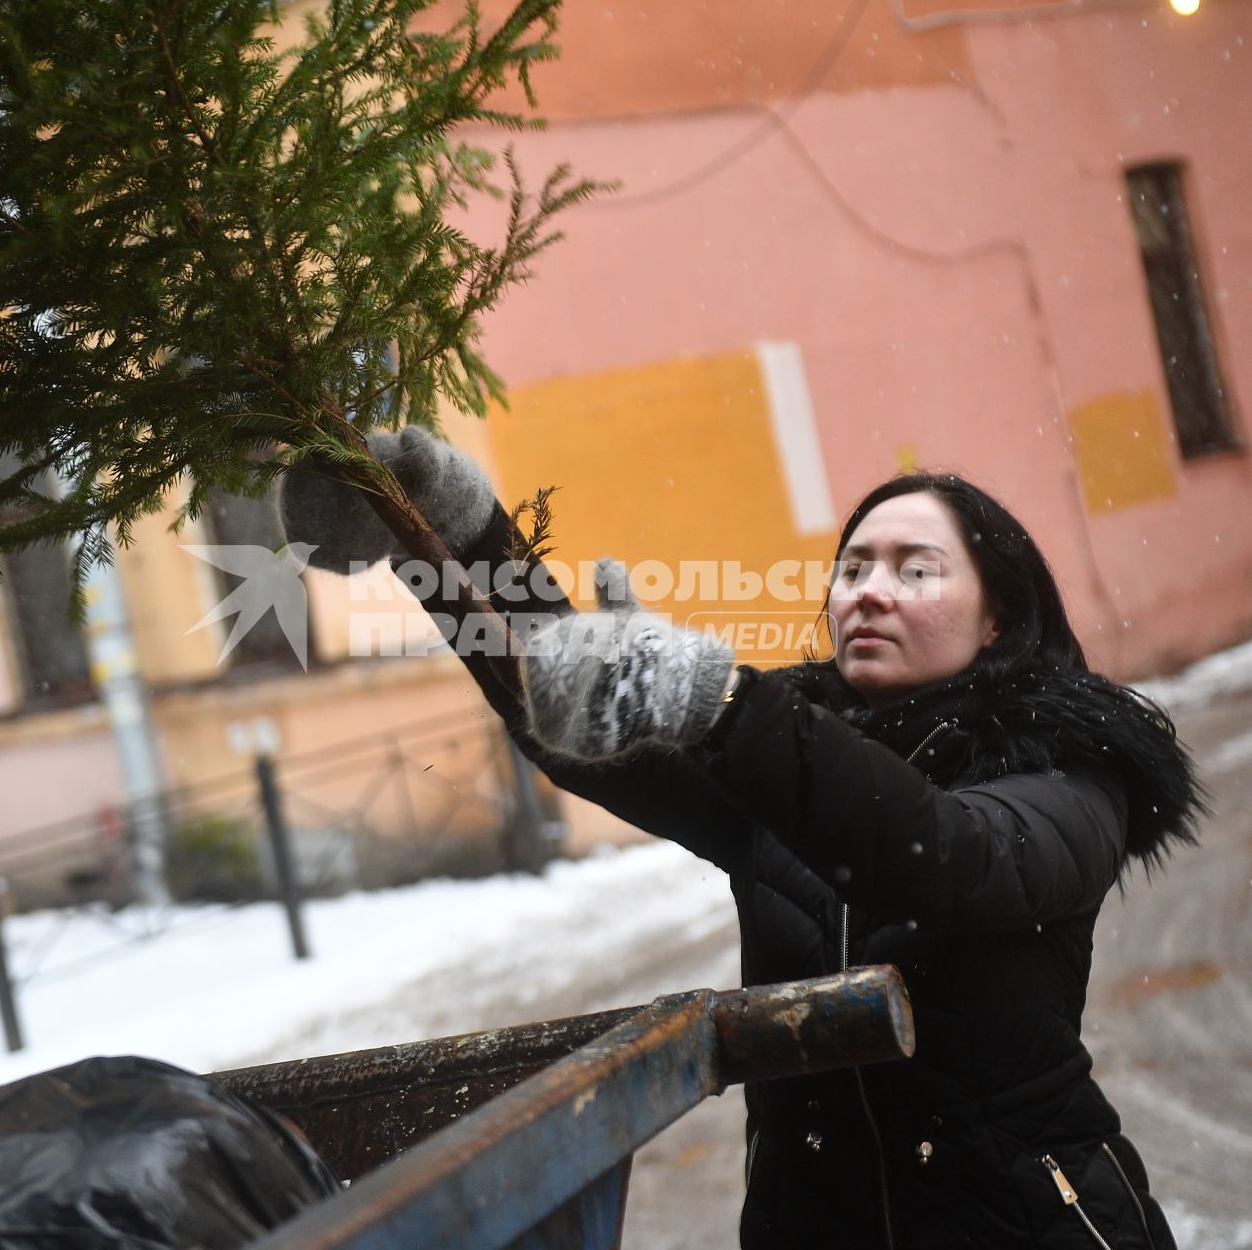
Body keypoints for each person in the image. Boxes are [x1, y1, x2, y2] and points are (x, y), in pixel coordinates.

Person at [281, 428, 1202, 1249]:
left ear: (998, 614)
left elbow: (952, 859)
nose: (870, 592)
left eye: (915, 570)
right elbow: (567, 713)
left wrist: (717, 704)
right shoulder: (779, 754)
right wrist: (446, 538)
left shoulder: (1072, 768)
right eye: (853, 569)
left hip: (1030, 1221)